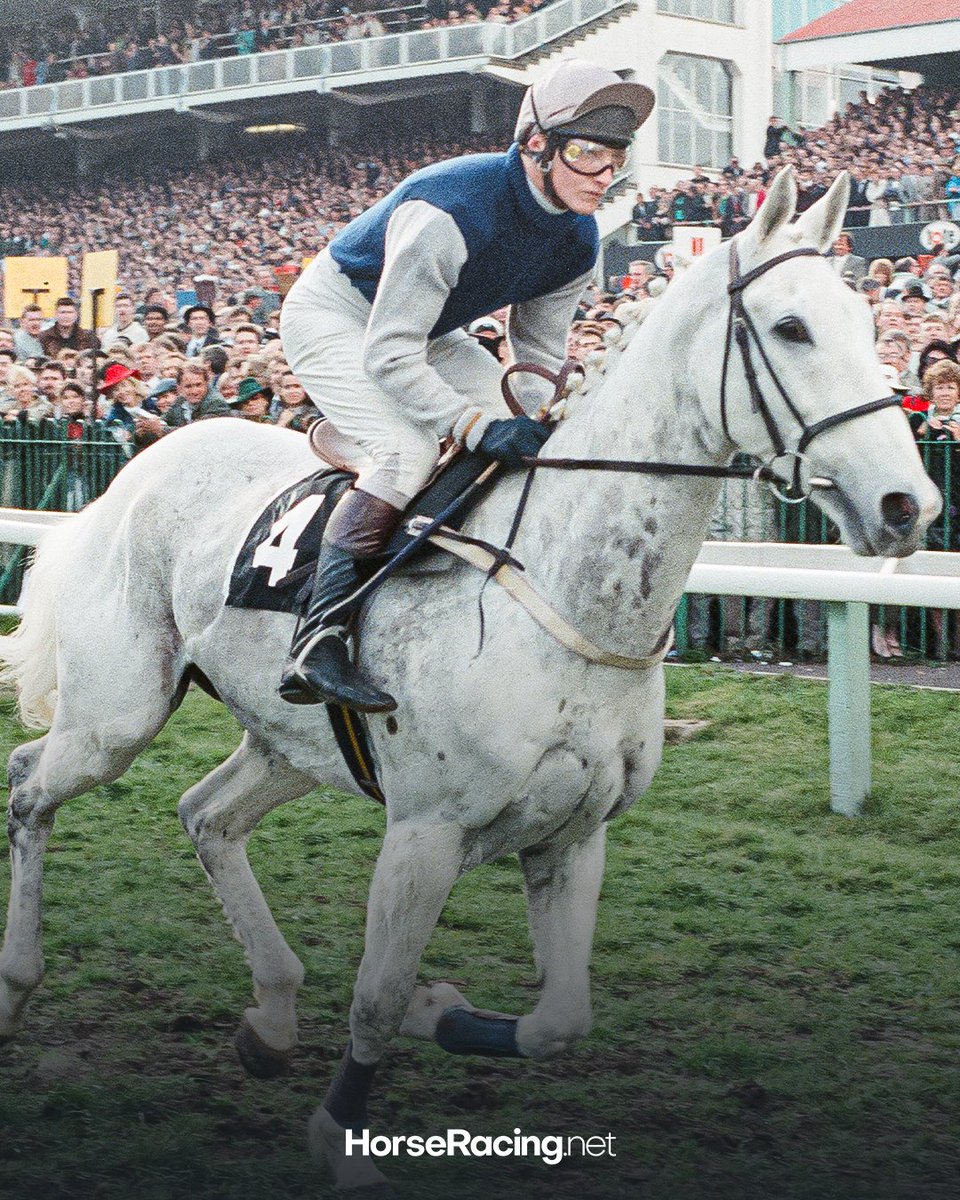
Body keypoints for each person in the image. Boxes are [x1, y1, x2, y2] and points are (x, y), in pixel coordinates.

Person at [278, 58, 654, 710]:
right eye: (589, 154)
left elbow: (537, 354)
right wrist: (478, 426)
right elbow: (391, 354)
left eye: (615, 157)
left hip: (431, 329)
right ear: (537, 145)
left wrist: (542, 420)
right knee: (409, 450)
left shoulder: (580, 238)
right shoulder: (450, 208)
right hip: (339, 316)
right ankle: (319, 637)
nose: (605, 175)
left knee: (522, 442)